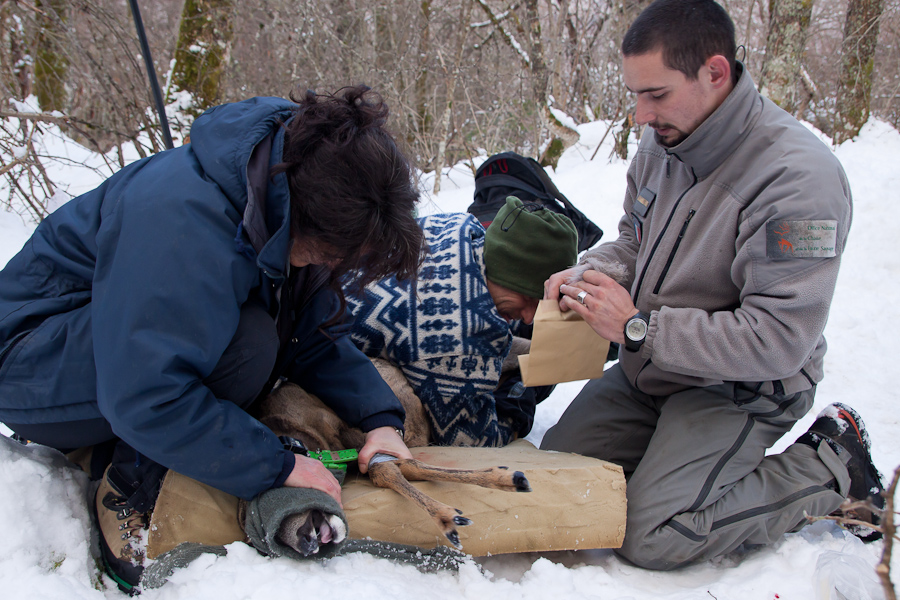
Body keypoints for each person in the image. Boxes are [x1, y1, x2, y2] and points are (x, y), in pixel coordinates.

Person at [0, 86, 427, 590]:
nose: (332, 265)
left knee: (259, 334)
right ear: (309, 217)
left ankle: (122, 442)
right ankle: (130, 483)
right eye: (331, 254)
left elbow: (310, 336)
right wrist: (274, 466)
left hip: (109, 351)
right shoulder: (184, 219)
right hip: (29, 361)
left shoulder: (279, 194)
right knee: (247, 343)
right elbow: (146, 393)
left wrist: (380, 420)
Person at [541, 0, 884, 570]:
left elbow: (778, 340)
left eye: (656, 95)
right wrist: (590, 274)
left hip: (743, 386)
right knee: (561, 480)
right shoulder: (664, 140)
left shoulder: (799, 182)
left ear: (715, 73)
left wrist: (637, 327)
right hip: (651, 365)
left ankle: (832, 465)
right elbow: (633, 240)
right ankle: (675, 458)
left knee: (655, 533)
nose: (639, 117)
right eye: (634, 95)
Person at [346, 196, 578, 446]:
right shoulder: (457, 332)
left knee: (528, 352)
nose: (530, 317)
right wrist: (516, 412)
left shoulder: (461, 226)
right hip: (323, 367)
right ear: (510, 275)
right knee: (538, 369)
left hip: (329, 308)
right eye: (528, 299)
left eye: (541, 303)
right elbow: (470, 444)